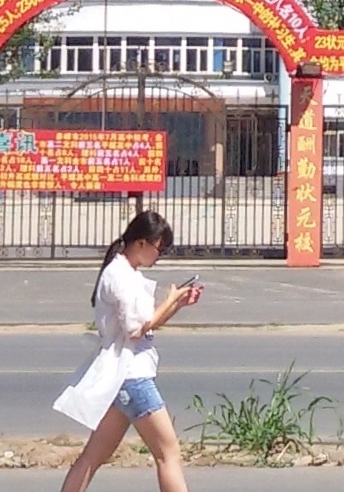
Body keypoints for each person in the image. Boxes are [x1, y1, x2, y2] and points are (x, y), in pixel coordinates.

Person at [56, 210, 203, 492]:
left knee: (93, 456)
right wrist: (170, 300)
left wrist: (177, 304)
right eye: (159, 249)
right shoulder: (119, 276)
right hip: (133, 378)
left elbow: (147, 324)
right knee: (168, 453)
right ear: (141, 243)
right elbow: (137, 329)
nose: (159, 256)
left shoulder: (126, 272)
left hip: (121, 379)